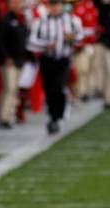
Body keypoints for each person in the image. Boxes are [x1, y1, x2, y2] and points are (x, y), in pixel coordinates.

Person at [28, 0, 83, 134]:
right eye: (52, 5)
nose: (55, 7)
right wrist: (45, 45)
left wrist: (72, 38)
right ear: (48, 6)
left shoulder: (72, 20)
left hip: (63, 58)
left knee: (59, 86)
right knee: (49, 88)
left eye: (57, 4)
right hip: (47, 59)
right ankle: (54, 115)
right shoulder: (40, 21)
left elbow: (80, 37)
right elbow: (31, 42)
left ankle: (56, 116)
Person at [0, 0, 28, 128]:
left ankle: (10, 115)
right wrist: (6, 57)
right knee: (9, 88)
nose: (17, 4)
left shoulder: (22, 19)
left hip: (19, 59)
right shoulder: (6, 20)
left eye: (19, 2)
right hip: (9, 61)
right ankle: (4, 117)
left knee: (14, 89)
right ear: (9, 4)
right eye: (14, 2)